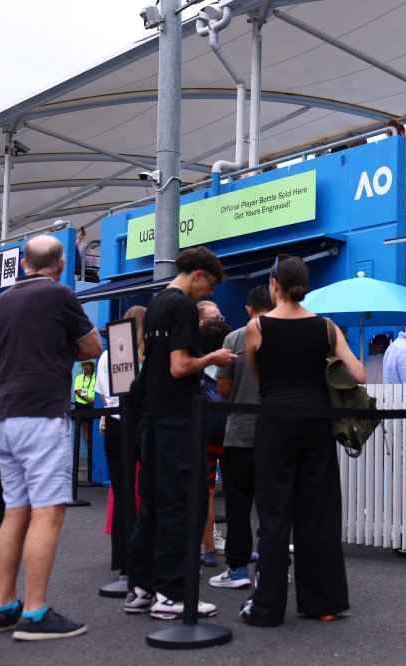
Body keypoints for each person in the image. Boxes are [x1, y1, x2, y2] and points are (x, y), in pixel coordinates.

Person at [0, 234, 102, 639]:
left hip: (6, 416)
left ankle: (4, 606)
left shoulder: (1, 302)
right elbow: (93, 346)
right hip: (42, 414)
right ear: (61, 265)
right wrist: (61, 350)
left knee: (14, 512)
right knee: (47, 512)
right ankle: (35, 613)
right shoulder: (60, 294)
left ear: (23, 264)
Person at [241, 254, 364, 626]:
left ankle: (267, 608)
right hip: (316, 419)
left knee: (274, 512)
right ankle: (324, 602)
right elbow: (358, 374)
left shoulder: (257, 326)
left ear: (274, 284)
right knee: (318, 510)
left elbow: (259, 375)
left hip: (276, 417)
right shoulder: (326, 327)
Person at [124, 247, 236, 621]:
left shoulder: (156, 303)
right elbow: (180, 366)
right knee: (179, 505)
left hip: (153, 418)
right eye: (211, 284)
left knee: (153, 504)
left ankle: (141, 588)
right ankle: (170, 595)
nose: (211, 292)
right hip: (177, 418)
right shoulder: (184, 307)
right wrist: (214, 358)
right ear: (198, 274)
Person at [211, 285, 272, 590]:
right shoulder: (287, 336)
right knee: (273, 504)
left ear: (248, 309)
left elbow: (223, 391)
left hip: (239, 432)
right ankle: (273, 569)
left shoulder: (234, 338)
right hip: (277, 433)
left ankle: (237, 570)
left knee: (238, 503)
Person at [96, 305, 146, 583]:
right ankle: (143, 553)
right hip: (141, 423)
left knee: (121, 490)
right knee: (149, 489)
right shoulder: (149, 354)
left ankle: (122, 557)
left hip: (114, 423)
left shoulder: (108, 354)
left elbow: (103, 396)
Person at [199, 318, 232, 568]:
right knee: (237, 493)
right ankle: (238, 548)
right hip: (232, 434)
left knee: (207, 493)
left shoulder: (197, 364)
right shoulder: (233, 362)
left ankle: (209, 550)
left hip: (204, 435)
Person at [72, 359, 96, 451]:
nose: (85, 367)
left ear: (92, 366)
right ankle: (91, 449)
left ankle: (96, 450)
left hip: (95, 404)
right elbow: (78, 391)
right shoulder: (79, 378)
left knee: (95, 427)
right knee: (85, 427)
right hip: (81, 404)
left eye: (87, 365)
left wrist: (94, 402)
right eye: (84, 365)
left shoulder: (97, 376)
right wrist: (89, 400)